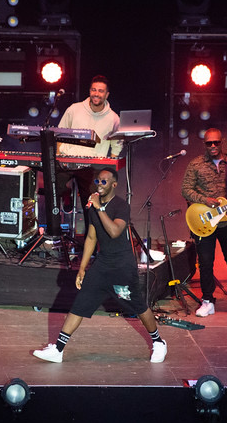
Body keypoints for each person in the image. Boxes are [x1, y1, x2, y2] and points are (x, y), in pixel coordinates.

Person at [33, 167, 167, 363]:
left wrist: (100, 208)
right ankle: (58, 350)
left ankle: (158, 342)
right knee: (80, 303)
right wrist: (82, 268)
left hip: (122, 267)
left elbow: (114, 231)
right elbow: (91, 237)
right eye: (98, 181)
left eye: (104, 181)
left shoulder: (121, 206)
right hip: (102, 265)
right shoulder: (93, 207)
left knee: (137, 305)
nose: (99, 184)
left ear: (114, 185)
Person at [180, 127, 227, 318]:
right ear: (204, 144)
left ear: (222, 142)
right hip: (203, 222)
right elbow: (186, 190)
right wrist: (205, 200)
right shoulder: (196, 164)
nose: (213, 146)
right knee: (205, 263)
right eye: (209, 143)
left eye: (216, 142)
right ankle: (207, 301)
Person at [55, 75, 123, 211]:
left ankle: (90, 232)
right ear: (89, 91)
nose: (96, 94)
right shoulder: (74, 109)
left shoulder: (113, 118)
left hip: (93, 165)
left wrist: (109, 167)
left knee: (92, 200)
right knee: (53, 187)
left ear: (107, 94)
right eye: (93, 90)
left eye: (100, 91)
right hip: (68, 160)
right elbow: (59, 133)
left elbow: (117, 144)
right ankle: (56, 226)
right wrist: (58, 156)